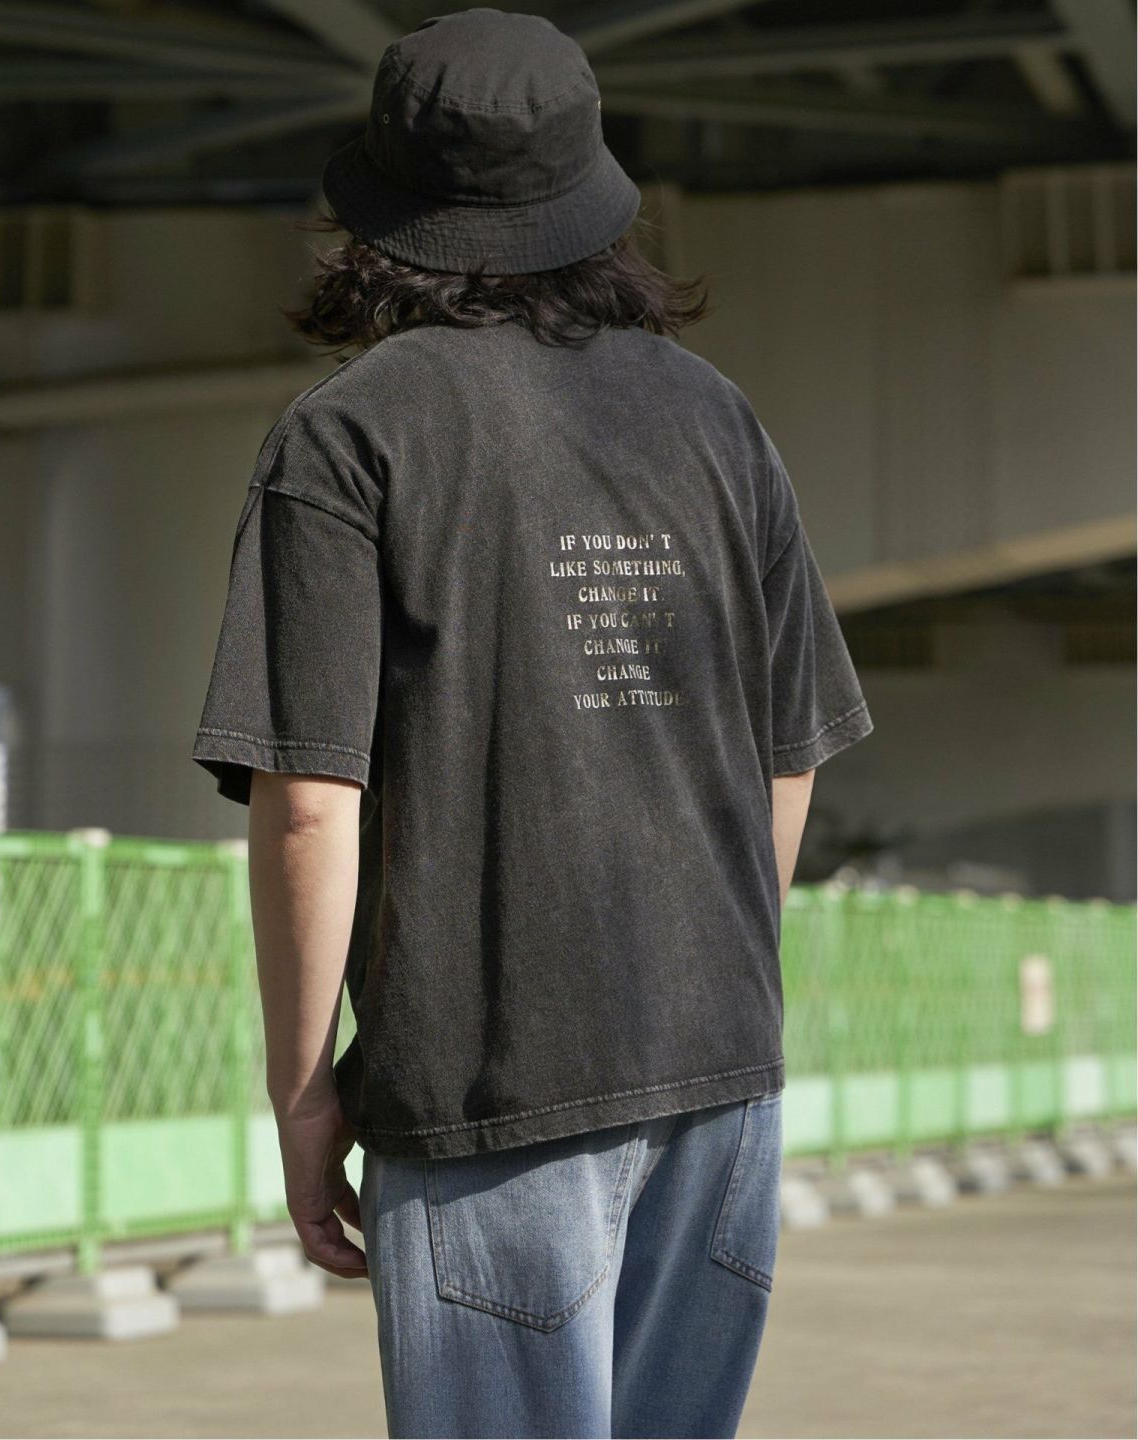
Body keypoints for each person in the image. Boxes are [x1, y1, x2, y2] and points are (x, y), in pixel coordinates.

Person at [191, 8, 874, 1437]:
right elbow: (790, 757)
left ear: (387, 213)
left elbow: (311, 799)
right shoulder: (718, 420)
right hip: (720, 1067)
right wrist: (709, 973)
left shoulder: (350, 434)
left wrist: (305, 1097)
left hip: (488, 1077)